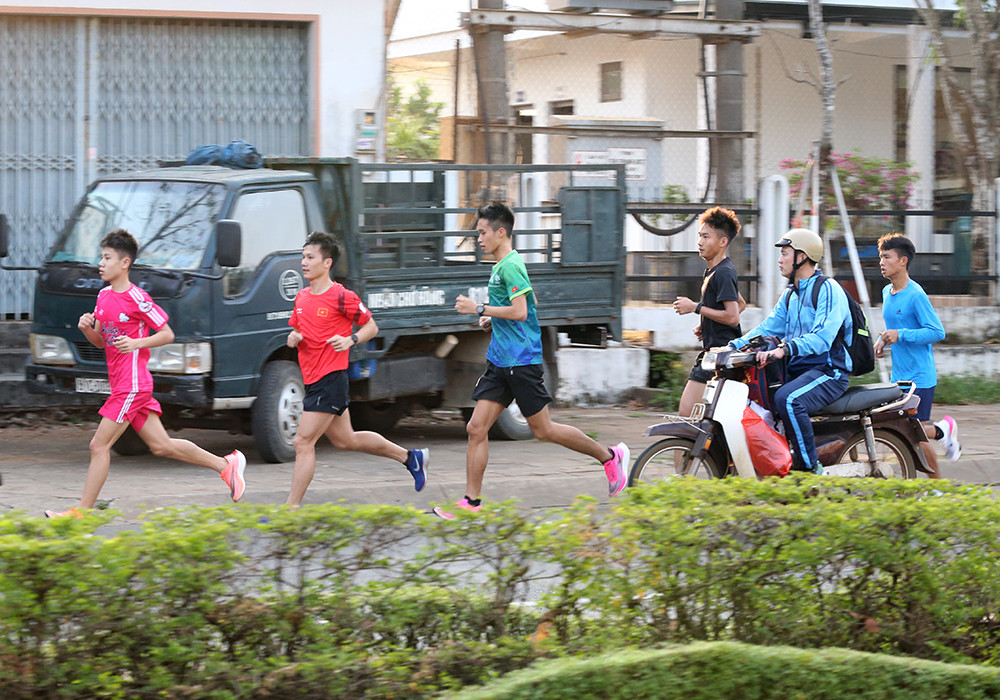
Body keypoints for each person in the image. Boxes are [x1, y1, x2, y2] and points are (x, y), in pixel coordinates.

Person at [435, 202, 629, 519]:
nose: (478, 239)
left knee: (543, 430)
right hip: (501, 361)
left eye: (482, 233)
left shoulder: (510, 265)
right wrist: (495, 320)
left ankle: (610, 456)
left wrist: (479, 309)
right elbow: (531, 301)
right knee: (476, 427)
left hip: (521, 362)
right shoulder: (502, 265)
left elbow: (522, 311)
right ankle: (471, 503)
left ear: (500, 232)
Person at [45, 229, 246, 518]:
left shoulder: (137, 299)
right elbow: (101, 342)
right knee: (162, 446)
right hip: (122, 384)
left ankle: (81, 514)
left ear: (124, 262)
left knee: (98, 445)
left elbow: (167, 334)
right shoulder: (103, 296)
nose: (100, 263)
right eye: (101, 257)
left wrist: (137, 343)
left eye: (107, 257)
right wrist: (87, 328)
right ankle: (227, 466)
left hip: (132, 385)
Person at [284, 231, 427, 506]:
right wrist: (294, 337)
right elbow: (298, 329)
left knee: (303, 442)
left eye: (310, 257)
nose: (304, 262)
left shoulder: (341, 295)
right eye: (303, 257)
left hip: (330, 378)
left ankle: (290, 509)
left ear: (327, 263)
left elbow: (371, 326)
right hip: (312, 378)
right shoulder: (301, 297)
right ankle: (411, 458)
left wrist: (351, 339)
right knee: (346, 440)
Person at [728, 228, 852, 474]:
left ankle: (809, 468)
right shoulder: (791, 294)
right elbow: (767, 328)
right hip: (799, 372)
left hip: (828, 372)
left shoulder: (828, 289)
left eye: (785, 253)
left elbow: (822, 338)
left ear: (802, 257)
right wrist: (732, 346)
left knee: (789, 399)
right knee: (762, 398)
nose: (779, 259)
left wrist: (784, 349)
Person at [874, 233, 960, 476]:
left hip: (920, 377)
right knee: (907, 431)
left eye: (887, 257)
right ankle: (942, 431)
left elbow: (936, 331)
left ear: (903, 261)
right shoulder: (886, 292)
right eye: (880, 257)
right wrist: (883, 340)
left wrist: (900, 335)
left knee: (916, 435)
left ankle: (936, 486)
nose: (881, 262)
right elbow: (896, 326)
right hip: (900, 375)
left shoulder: (916, 295)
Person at [672, 207, 746, 417]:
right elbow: (740, 303)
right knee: (706, 420)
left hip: (719, 356)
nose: (700, 242)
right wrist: (706, 322)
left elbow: (733, 317)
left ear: (722, 241)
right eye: (700, 236)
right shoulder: (716, 271)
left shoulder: (723, 273)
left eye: (706, 237)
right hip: (717, 355)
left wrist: (695, 308)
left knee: (686, 415)